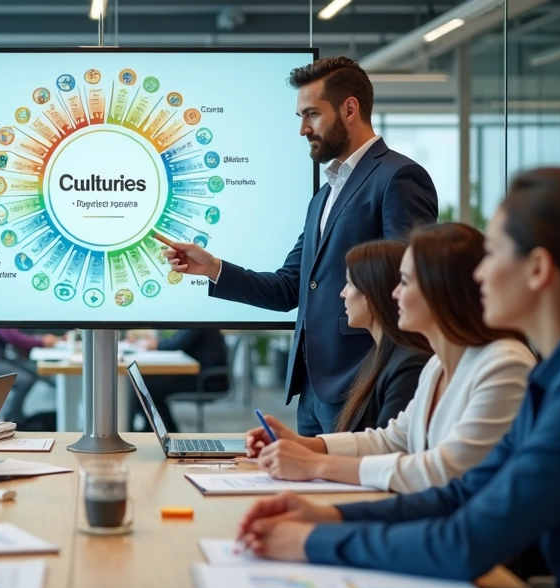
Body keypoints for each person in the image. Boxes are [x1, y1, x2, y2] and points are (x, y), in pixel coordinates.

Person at [237, 168, 560, 588]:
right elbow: (464, 492)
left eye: (491, 253)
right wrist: (327, 515)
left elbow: (465, 542)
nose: (477, 273)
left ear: (537, 269)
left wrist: (310, 541)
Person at [162, 56, 438, 436]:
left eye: (312, 114)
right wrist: (213, 268)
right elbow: (290, 286)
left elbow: (406, 284)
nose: (303, 129)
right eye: (300, 117)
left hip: (363, 382)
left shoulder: (398, 177)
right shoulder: (323, 196)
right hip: (312, 388)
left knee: (348, 492)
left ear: (350, 109)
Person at [246, 224, 535, 493]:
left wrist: (316, 464)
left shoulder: (504, 364)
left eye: (405, 282)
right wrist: (305, 445)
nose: (394, 293)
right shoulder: (437, 366)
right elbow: (390, 440)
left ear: (442, 291)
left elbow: (443, 470)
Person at [249, 239, 430, 439]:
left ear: (375, 291)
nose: (342, 293)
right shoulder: (377, 358)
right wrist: (293, 444)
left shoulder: (406, 366)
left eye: (350, 283)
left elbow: (384, 452)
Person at [127, 329, 230, 433]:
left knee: (147, 386)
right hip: (201, 375)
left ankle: (165, 430)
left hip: (207, 380)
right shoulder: (197, 319)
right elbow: (177, 342)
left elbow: (175, 344)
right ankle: (162, 429)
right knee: (146, 383)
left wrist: (156, 343)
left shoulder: (197, 320)